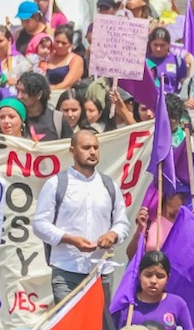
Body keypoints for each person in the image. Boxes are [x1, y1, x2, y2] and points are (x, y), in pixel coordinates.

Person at [31, 127, 129, 303]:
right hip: (67, 271)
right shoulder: (56, 184)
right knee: (68, 321)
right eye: (86, 147)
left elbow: (122, 223)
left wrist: (112, 235)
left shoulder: (109, 185)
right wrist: (70, 239)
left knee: (100, 321)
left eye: (95, 147)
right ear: (72, 151)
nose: (92, 152)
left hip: (101, 271)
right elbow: (39, 224)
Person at [119, 250, 194, 330]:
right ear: (139, 275)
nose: (153, 281)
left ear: (168, 278)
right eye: (148, 275)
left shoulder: (177, 304)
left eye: (160, 276)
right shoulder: (126, 304)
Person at [42, 25, 85, 91]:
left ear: (70, 44)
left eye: (64, 43)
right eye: (57, 41)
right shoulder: (47, 57)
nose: (59, 45)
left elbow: (67, 84)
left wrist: (48, 89)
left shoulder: (76, 60)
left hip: (62, 94)